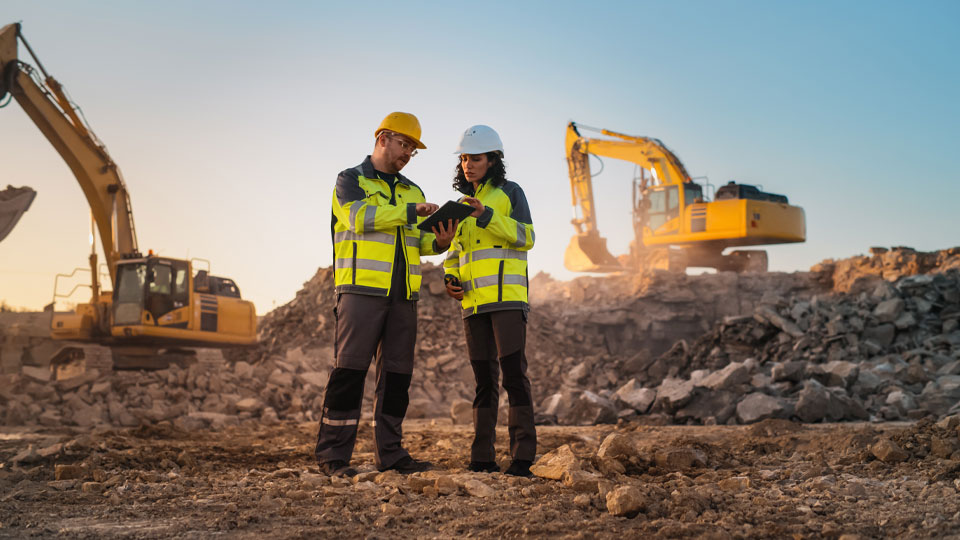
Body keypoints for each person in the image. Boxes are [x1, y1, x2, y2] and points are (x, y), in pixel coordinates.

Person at [316, 112, 458, 477]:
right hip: (360, 291)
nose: (408, 153)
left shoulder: (414, 190)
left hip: (404, 295)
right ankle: (333, 458)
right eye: (404, 144)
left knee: (397, 377)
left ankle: (391, 455)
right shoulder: (351, 180)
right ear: (383, 139)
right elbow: (358, 218)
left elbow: (419, 240)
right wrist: (409, 212)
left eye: (413, 148)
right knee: (349, 372)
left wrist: (439, 242)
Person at [442, 125, 537, 477]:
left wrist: (487, 215)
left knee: (514, 377)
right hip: (473, 305)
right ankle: (482, 458)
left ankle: (523, 457)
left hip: (508, 302)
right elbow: (455, 253)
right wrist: (450, 277)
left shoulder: (510, 193)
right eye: (464, 158)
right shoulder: (460, 205)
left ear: (492, 160)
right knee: (484, 382)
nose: (468, 164)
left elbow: (527, 237)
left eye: (475, 158)